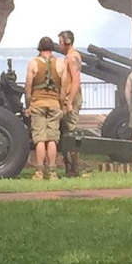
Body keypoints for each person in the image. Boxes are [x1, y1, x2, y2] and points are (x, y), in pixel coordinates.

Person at [24, 36, 65, 180]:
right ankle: (52, 171)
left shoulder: (33, 63)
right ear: (52, 48)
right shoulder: (60, 64)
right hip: (54, 104)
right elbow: (63, 90)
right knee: (52, 138)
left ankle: (39, 172)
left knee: (40, 139)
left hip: (38, 104)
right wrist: (61, 106)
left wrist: (28, 105)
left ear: (39, 48)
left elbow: (28, 88)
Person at [57, 30, 83, 177]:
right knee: (65, 131)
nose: (59, 45)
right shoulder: (70, 57)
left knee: (70, 132)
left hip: (70, 97)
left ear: (67, 42)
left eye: (61, 42)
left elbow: (75, 81)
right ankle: (69, 168)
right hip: (68, 97)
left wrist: (69, 102)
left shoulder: (72, 58)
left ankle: (74, 169)